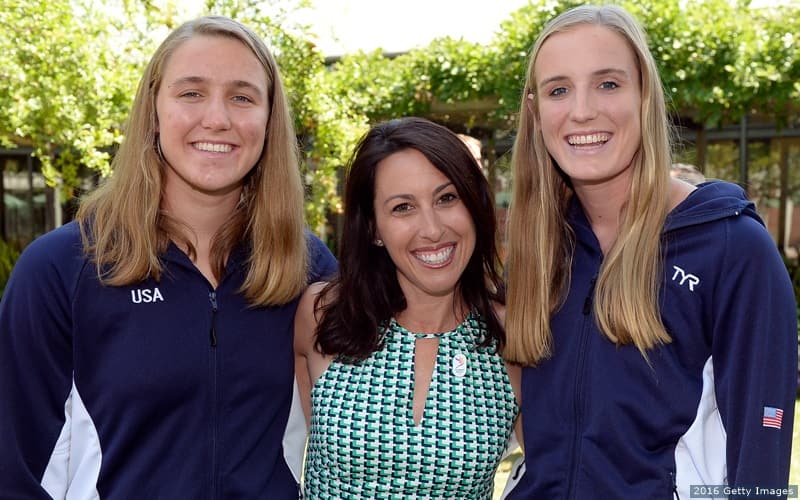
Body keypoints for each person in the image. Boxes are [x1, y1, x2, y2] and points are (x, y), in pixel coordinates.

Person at [0, 16, 336, 498]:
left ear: (268, 119)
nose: (217, 118)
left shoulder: (307, 269)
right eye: (191, 93)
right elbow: (15, 474)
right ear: (154, 110)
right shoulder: (62, 270)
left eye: (242, 96)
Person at [503, 5, 797, 499]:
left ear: (645, 96)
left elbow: (761, 453)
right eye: (558, 90)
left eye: (608, 84)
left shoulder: (731, 247)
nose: (581, 111)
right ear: (536, 112)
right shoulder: (540, 248)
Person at [294, 117, 521, 499]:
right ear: (373, 229)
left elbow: (560, 471)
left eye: (447, 198)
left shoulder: (511, 332)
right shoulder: (322, 314)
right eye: (402, 207)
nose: (431, 229)